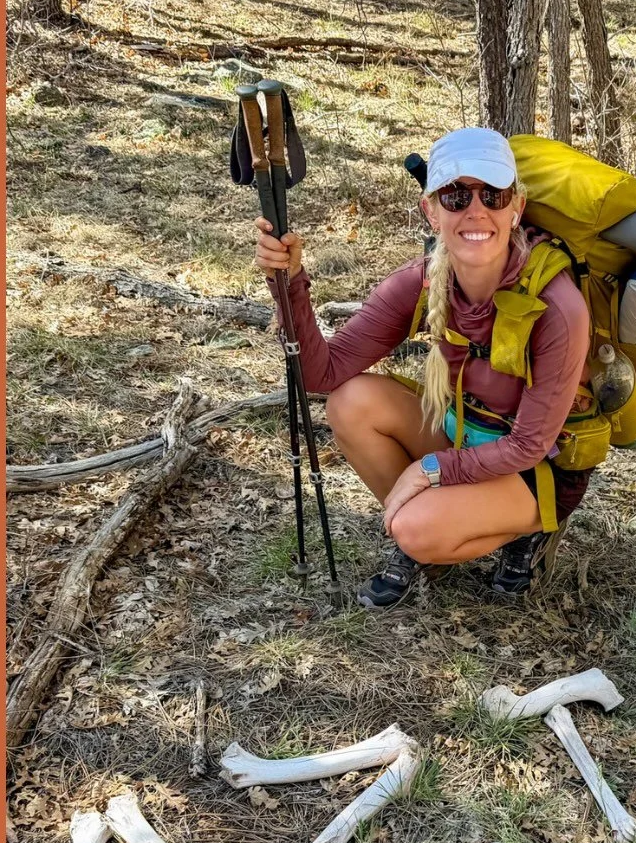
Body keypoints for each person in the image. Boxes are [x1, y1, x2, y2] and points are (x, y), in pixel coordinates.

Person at [253, 126, 593, 609]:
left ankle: (513, 533)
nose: (476, 211)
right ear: (430, 210)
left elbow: (529, 444)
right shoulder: (421, 281)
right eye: (455, 196)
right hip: (462, 435)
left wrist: (427, 470)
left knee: (412, 527)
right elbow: (320, 375)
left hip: (534, 469)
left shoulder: (558, 306)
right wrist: (289, 282)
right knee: (351, 402)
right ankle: (434, 529)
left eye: (492, 194)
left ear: (516, 208)